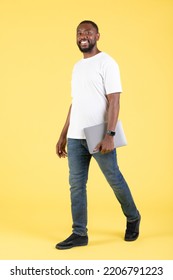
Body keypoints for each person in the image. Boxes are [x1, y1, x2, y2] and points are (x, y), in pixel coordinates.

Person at [55, 20, 141, 250]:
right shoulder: (77, 66)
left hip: (98, 133)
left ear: (97, 36)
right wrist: (63, 134)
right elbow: (76, 102)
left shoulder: (107, 63)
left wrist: (110, 134)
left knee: (114, 179)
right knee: (76, 185)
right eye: (79, 32)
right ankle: (79, 233)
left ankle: (133, 217)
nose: (83, 36)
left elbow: (114, 100)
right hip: (75, 136)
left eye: (88, 32)